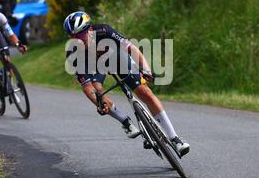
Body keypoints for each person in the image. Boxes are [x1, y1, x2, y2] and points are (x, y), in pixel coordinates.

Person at [63, 11, 190, 156]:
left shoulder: (104, 31)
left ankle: (175, 139)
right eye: (72, 36)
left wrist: (146, 69)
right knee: (97, 91)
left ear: (90, 30)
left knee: (144, 91)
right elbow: (87, 87)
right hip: (95, 67)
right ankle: (125, 122)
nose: (77, 40)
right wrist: (99, 103)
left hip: (116, 58)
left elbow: (131, 48)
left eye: (79, 35)